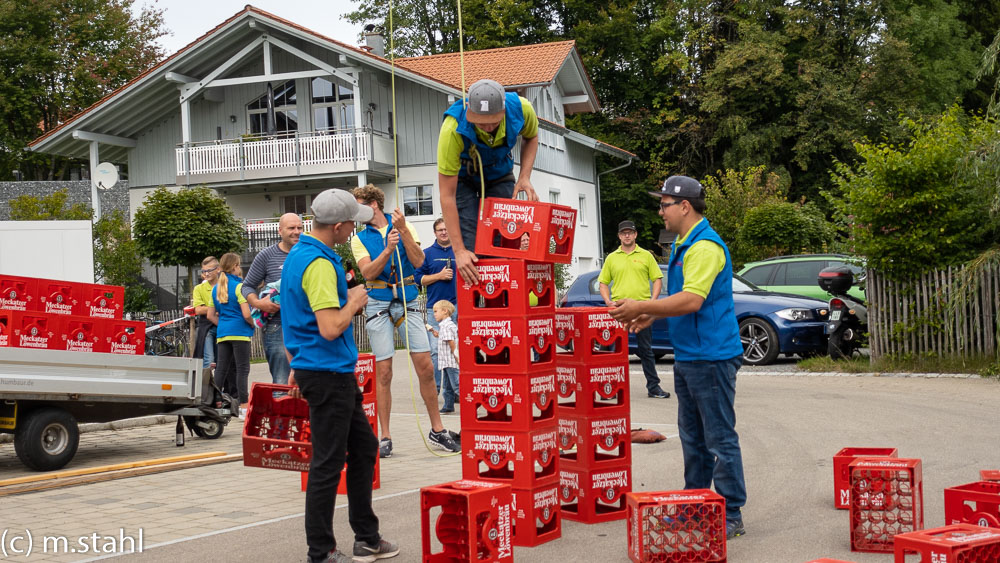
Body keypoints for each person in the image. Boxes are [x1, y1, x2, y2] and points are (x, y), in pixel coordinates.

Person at [609, 175, 748, 540]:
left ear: (684, 206)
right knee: (693, 437)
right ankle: (697, 503)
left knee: (718, 437)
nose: (661, 211)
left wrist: (641, 304)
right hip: (691, 355)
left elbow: (692, 300)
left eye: (665, 204)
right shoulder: (686, 243)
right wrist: (652, 314)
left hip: (711, 356)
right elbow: (681, 296)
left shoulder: (704, 247)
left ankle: (730, 512)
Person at [283, 188, 399, 563]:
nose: (354, 230)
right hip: (327, 371)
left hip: (323, 370)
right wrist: (354, 301)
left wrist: (297, 365)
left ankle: (366, 537)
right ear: (337, 226)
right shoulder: (317, 263)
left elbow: (293, 318)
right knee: (328, 463)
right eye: (352, 224)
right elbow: (330, 326)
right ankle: (321, 551)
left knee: (363, 449)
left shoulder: (302, 254)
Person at [351, 184, 461, 458]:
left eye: (359, 205)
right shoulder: (359, 238)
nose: (355, 212)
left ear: (373, 205)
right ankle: (384, 436)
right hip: (378, 301)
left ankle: (437, 429)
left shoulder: (402, 224)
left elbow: (419, 260)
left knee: (425, 367)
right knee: (384, 371)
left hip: (408, 297)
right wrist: (388, 250)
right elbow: (367, 271)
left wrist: (403, 234)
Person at [437, 78, 540, 285]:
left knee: (503, 239)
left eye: (493, 120)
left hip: (499, 173)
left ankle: (504, 300)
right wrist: (459, 251)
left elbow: (532, 136)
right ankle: (476, 307)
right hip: (464, 178)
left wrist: (525, 176)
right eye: (481, 121)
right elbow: (447, 196)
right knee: (470, 246)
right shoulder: (452, 129)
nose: (487, 126)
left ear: (503, 111)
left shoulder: (522, 109)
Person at [598, 220, 671, 399]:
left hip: (641, 310)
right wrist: (608, 301)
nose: (627, 235)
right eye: (624, 233)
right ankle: (609, 390)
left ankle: (654, 388)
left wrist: (652, 303)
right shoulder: (612, 258)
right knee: (610, 351)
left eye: (630, 232)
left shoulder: (646, 255)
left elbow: (657, 280)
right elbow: (603, 283)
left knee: (646, 350)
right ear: (619, 236)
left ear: (635, 234)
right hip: (619, 311)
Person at [241, 212, 304, 385]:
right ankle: (281, 411)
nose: (296, 231)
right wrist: (258, 303)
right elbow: (246, 286)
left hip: (307, 323)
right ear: (280, 231)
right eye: (291, 228)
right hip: (277, 326)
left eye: (299, 227)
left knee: (309, 381)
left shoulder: (308, 253)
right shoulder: (266, 255)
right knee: (282, 383)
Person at [413, 218, 457, 395]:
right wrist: (438, 276)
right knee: (436, 351)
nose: (444, 232)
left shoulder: (459, 252)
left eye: (446, 229)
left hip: (456, 307)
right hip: (435, 310)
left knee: (455, 351)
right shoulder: (427, 254)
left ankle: (453, 390)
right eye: (440, 230)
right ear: (435, 233)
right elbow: (418, 279)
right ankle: (435, 389)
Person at [208, 252, 254, 416]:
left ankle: (214, 402)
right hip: (240, 333)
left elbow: (210, 315)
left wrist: (225, 326)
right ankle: (243, 405)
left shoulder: (215, 289)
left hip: (223, 334)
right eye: (238, 265)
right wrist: (252, 323)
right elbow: (247, 313)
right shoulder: (240, 287)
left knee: (221, 369)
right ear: (234, 267)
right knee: (242, 369)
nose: (239, 268)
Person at [191, 256, 220, 371]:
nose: (206, 274)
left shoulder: (224, 285)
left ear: (218, 269)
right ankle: (204, 387)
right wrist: (216, 310)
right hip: (206, 327)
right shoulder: (199, 288)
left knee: (221, 361)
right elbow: (198, 310)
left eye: (209, 270)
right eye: (204, 271)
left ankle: (219, 388)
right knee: (208, 359)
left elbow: (203, 309)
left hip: (221, 326)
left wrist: (207, 308)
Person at [432, 300, 460, 413]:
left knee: (456, 385)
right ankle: (448, 406)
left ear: (445, 311)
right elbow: (445, 338)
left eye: (436, 311)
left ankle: (470, 403)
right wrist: (437, 334)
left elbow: (451, 342)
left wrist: (456, 355)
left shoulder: (446, 326)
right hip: (446, 362)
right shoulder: (446, 325)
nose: (434, 314)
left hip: (450, 361)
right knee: (447, 386)